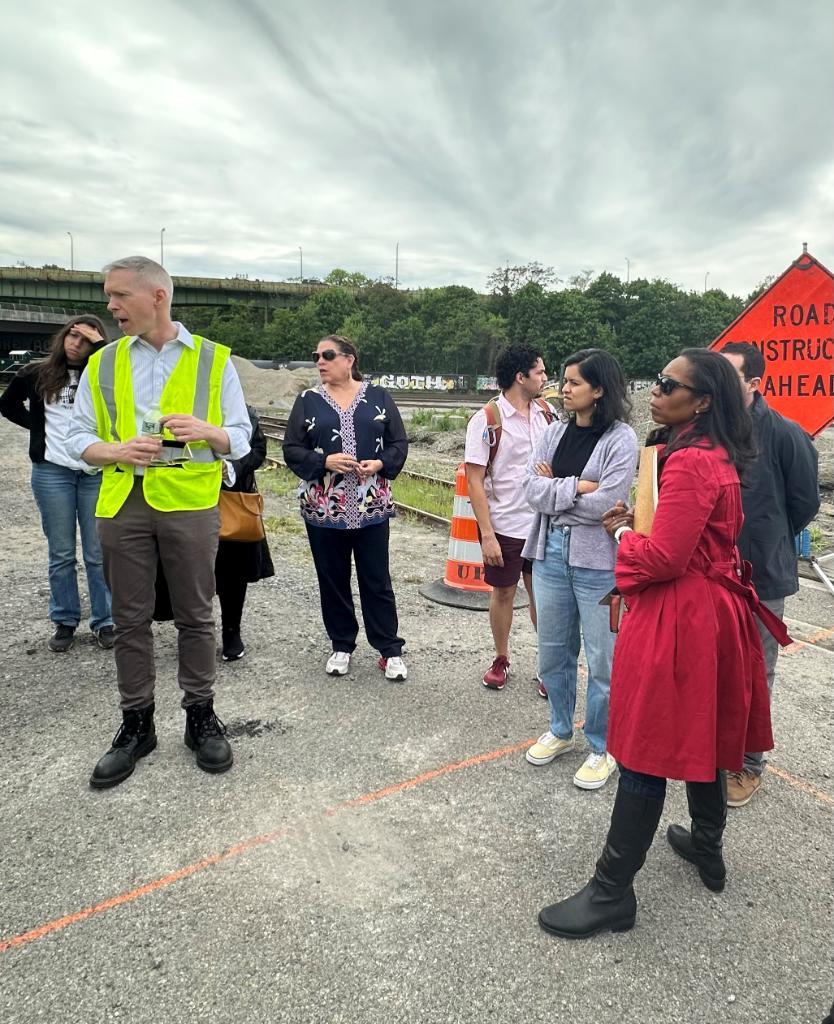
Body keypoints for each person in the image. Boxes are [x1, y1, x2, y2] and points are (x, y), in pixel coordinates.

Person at [538, 349, 789, 940]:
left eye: (668, 384)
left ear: (701, 401)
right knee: (702, 730)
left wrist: (623, 532)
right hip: (714, 608)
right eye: (658, 380)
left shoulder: (689, 464)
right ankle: (706, 847)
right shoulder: (711, 454)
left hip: (684, 614)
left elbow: (663, 558)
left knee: (647, 747)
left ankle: (611, 892)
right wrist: (640, 522)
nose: (656, 389)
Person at [66, 256, 252, 788]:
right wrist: (117, 448)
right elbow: (76, 437)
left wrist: (208, 431)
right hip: (123, 500)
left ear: (158, 297)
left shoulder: (215, 361)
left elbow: (240, 435)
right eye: (109, 295)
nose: (110, 306)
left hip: (191, 503)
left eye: (120, 295)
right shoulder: (103, 363)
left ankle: (200, 716)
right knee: (129, 618)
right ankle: (136, 723)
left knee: (196, 614)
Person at [521, 349, 637, 790]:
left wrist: (557, 489)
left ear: (599, 389)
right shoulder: (552, 433)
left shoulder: (621, 438)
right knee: (553, 650)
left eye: (573, 383)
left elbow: (609, 502)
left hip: (598, 563)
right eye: (564, 381)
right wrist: (577, 488)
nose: (564, 389)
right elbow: (529, 489)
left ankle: (602, 747)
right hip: (550, 553)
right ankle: (560, 729)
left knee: (604, 659)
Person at [719, 342, 820, 807]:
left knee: (755, 674)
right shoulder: (711, 429)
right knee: (715, 668)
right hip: (714, 574)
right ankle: (717, 751)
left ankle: (750, 764)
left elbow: (803, 504)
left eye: (728, 376)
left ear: (756, 384)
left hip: (760, 577)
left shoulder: (784, 433)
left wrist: (768, 538)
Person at [282, 335, 408, 680]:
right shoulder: (307, 401)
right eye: (316, 356)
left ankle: (389, 649)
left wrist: (380, 464)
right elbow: (292, 449)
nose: (319, 361)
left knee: (376, 578)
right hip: (324, 510)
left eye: (327, 355)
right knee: (332, 579)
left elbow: (399, 442)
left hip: (371, 506)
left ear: (349, 359)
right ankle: (341, 643)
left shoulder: (379, 397)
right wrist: (324, 461)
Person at [0, 315, 114, 652]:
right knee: (62, 553)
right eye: (72, 335)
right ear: (62, 337)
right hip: (53, 472)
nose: (75, 343)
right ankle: (65, 620)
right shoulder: (37, 372)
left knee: (97, 552)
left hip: (94, 473)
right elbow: (7, 405)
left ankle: (105, 621)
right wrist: (38, 428)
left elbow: (121, 374)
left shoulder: (104, 376)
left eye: (86, 340)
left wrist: (102, 348)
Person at [464, 344, 552, 693]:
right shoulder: (486, 419)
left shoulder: (547, 413)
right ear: (521, 377)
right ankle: (501, 657)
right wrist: (487, 535)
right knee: (503, 593)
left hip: (543, 523)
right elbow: (474, 479)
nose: (546, 377)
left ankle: (548, 665)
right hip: (506, 526)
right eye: (540, 372)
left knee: (543, 596)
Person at [216, 404, 275, 661]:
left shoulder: (243, 408)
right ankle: (193, 632)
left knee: (232, 571)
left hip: (232, 499)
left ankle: (231, 631)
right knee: (187, 569)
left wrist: (231, 468)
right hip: (184, 498)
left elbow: (259, 451)